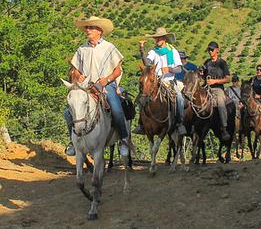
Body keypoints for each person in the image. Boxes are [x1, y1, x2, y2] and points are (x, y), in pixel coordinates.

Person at [64, 16, 129, 157]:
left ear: (99, 31)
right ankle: (73, 142)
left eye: (91, 28)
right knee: (68, 113)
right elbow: (75, 70)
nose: (88, 30)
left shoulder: (109, 48)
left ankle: (124, 139)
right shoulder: (82, 49)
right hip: (86, 87)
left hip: (106, 85)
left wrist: (107, 79)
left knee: (117, 110)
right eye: (87, 28)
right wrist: (78, 76)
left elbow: (118, 70)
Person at [134, 27, 186, 135]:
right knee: (142, 97)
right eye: (156, 38)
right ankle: (141, 124)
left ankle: (180, 124)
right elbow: (147, 63)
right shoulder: (153, 51)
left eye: (158, 38)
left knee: (180, 99)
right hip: (155, 81)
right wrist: (142, 49)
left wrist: (169, 69)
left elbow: (179, 68)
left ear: (164, 39)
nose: (156, 40)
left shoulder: (173, 51)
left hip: (169, 81)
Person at [203, 41, 231, 142]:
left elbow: (228, 79)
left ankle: (224, 127)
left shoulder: (222, 63)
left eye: (212, 49)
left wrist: (215, 81)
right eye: (208, 50)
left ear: (217, 50)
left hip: (218, 88)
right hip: (207, 88)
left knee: (220, 103)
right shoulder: (206, 63)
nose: (210, 52)